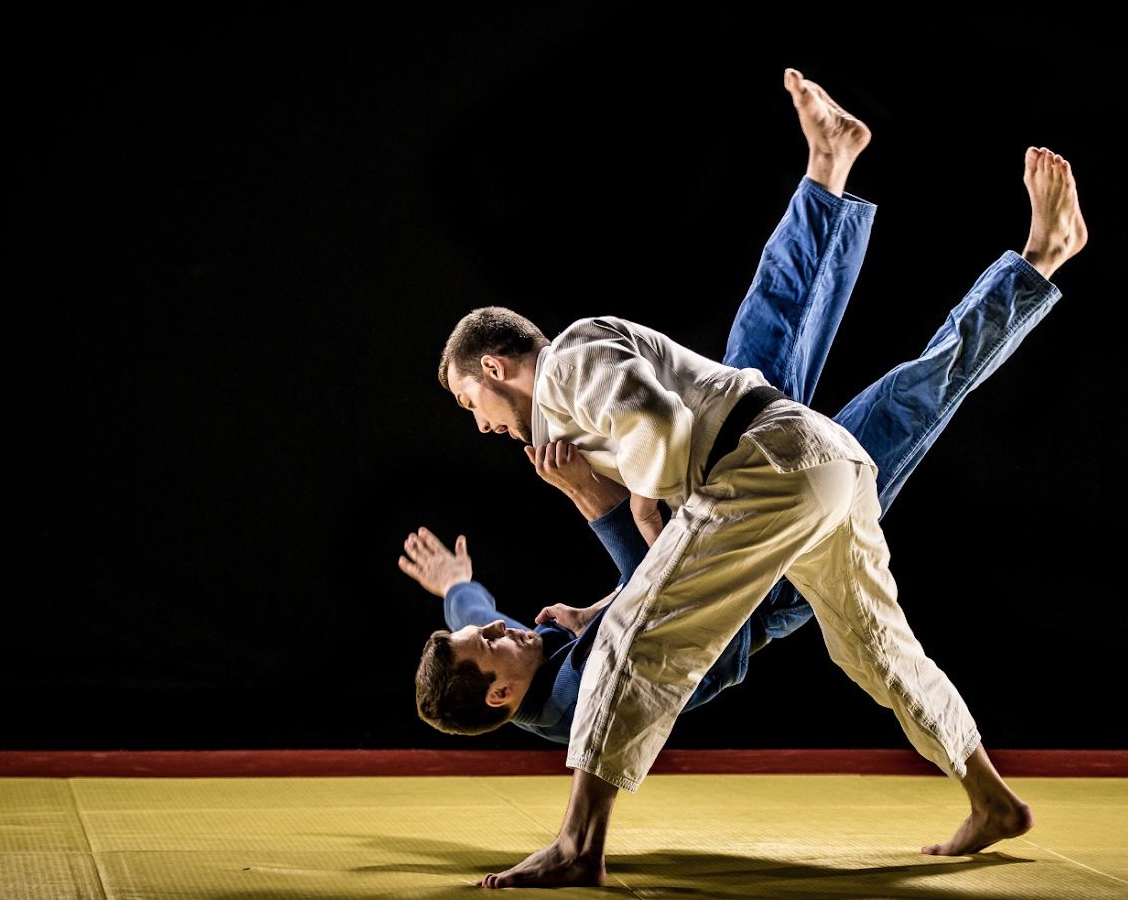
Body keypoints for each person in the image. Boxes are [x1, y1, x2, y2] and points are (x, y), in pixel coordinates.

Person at [433, 67, 1087, 888]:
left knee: (640, 644)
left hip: (762, 471)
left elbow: (660, 443)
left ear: (496, 366)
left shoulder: (564, 369)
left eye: (472, 401)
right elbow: (653, 551)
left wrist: (628, 503)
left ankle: (577, 845)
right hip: (795, 465)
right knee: (877, 647)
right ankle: (990, 796)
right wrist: (599, 562)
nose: (482, 423)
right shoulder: (572, 397)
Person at [403, 151, 1071, 746]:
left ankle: (827, 172)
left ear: (492, 369)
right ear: (500, 694)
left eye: (470, 405)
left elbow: (476, 614)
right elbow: (673, 607)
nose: (502, 627)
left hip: (722, 478)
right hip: (770, 564)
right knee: (914, 397)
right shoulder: (577, 700)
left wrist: (457, 588)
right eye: (493, 642)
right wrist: (603, 503)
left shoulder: (511, 655)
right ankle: (1038, 263)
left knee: (771, 325)